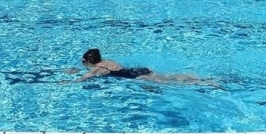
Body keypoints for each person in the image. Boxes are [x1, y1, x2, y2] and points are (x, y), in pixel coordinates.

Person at [68, 48, 204, 84]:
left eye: (83, 61)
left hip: (138, 77)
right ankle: (196, 78)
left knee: (168, 82)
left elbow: (83, 78)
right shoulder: (106, 61)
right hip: (138, 70)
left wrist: (67, 82)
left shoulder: (98, 69)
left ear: (89, 62)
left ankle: (200, 83)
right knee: (168, 77)